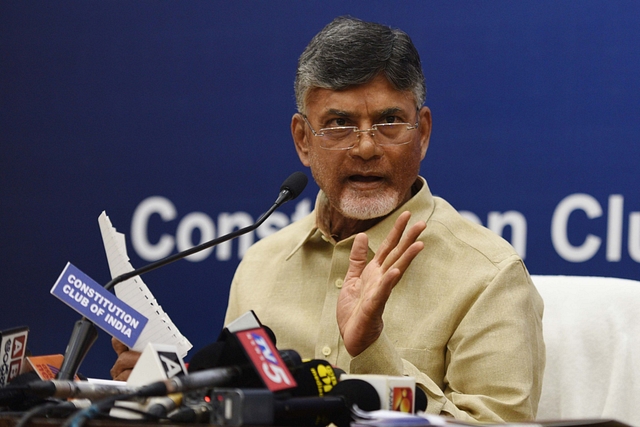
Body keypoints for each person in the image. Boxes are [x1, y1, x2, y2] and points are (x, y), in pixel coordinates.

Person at [112, 16, 545, 423]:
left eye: (389, 121)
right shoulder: (261, 267)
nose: (366, 148)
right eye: (339, 124)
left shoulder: (489, 275)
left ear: (423, 133)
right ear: (303, 139)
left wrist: (374, 349)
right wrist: (169, 398)